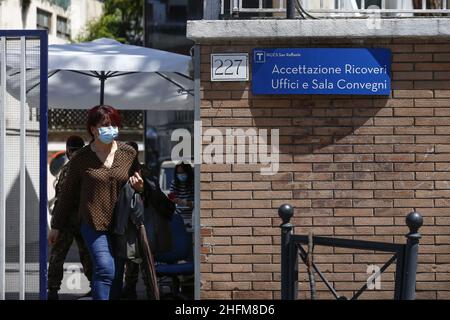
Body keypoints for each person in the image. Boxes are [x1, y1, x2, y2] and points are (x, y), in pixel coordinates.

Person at [48, 105, 144, 300]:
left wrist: (140, 187)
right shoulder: (81, 159)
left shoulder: (128, 153)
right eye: (106, 125)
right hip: (93, 223)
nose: (112, 129)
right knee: (105, 269)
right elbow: (67, 195)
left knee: (116, 276)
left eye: (115, 125)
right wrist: (56, 226)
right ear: (93, 129)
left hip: (121, 224)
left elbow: (138, 183)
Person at [47, 135, 93, 300]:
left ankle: (52, 290)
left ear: (68, 151)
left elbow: (63, 199)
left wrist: (56, 225)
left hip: (68, 220)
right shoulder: (89, 166)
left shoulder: (70, 168)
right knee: (87, 254)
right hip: (84, 219)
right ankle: (95, 286)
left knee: (58, 255)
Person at [169, 162, 194, 231]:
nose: (181, 175)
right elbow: (171, 196)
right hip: (179, 216)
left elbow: (197, 203)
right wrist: (173, 199)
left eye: (182, 173)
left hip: (191, 216)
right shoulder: (174, 183)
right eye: (178, 173)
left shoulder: (194, 183)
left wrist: (185, 203)